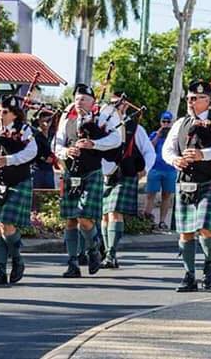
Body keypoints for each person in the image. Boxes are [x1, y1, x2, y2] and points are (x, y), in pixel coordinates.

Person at [161, 80, 211, 292]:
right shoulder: (180, 123)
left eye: (196, 98)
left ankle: (209, 261)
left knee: (205, 228)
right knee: (185, 232)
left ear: (208, 101)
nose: (191, 102)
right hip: (185, 182)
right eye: (189, 98)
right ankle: (189, 275)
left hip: (208, 180)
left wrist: (204, 155)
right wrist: (175, 160)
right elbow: (167, 149)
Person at [54, 84, 122, 278]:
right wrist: (66, 151)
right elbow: (57, 143)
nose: (79, 102)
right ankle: (72, 263)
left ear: (93, 102)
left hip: (91, 171)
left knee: (84, 218)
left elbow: (116, 139)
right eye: (76, 99)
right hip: (71, 173)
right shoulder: (66, 120)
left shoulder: (102, 119)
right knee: (70, 220)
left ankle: (94, 248)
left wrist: (94, 143)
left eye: (83, 99)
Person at [0, 95, 37, 286]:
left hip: (18, 181)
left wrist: (9, 160)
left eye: (4, 112)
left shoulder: (24, 130)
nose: (0, 115)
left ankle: (17, 259)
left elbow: (32, 152)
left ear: (14, 115)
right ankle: (0, 271)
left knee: (6, 222)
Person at [100, 93, 155, 269]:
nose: (117, 107)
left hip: (125, 173)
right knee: (104, 215)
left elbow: (149, 151)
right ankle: (106, 250)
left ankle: (111, 254)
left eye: (120, 104)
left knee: (115, 212)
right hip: (105, 174)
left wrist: (145, 169)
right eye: (113, 103)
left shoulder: (135, 127)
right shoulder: (102, 124)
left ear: (126, 107)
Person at [145, 111, 176, 232]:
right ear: (160, 122)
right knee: (150, 195)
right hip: (155, 168)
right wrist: (158, 134)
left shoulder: (174, 135)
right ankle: (147, 219)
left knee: (166, 196)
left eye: (168, 122)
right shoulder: (154, 134)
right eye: (164, 121)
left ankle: (162, 221)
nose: (166, 124)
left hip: (170, 169)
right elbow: (149, 148)